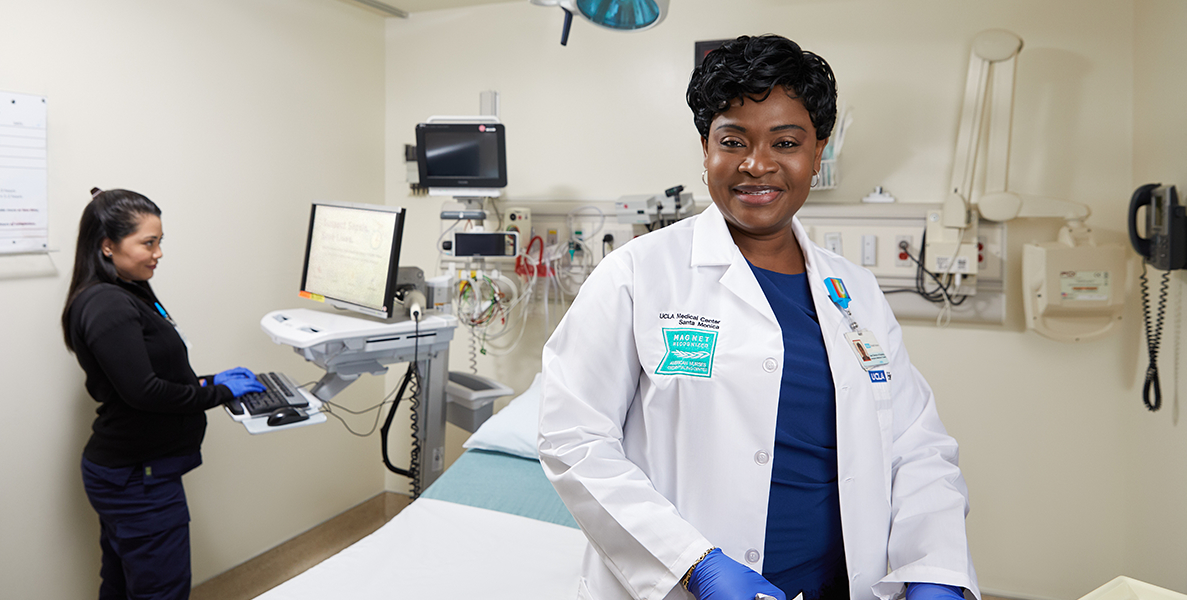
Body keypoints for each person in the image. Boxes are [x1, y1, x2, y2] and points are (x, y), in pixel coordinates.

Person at [538, 35, 979, 600]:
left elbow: (917, 447)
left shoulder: (857, 294)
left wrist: (933, 570)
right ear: (705, 149)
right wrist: (694, 564)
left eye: (786, 142)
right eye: (733, 140)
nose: (757, 164)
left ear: (816, 155)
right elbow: (573, 439)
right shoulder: (637, 275)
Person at [62, 188, 266, 600]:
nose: (157, 253)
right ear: (107, 246)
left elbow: (150, 373)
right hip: (137, 480)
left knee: (122, 585)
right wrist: (220, 392)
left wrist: (207, 381)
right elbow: (145, 392)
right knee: (161, 592)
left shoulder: (129, 288)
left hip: (130, 473)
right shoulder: (107, 304)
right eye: (147, 243)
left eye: (160, 242)